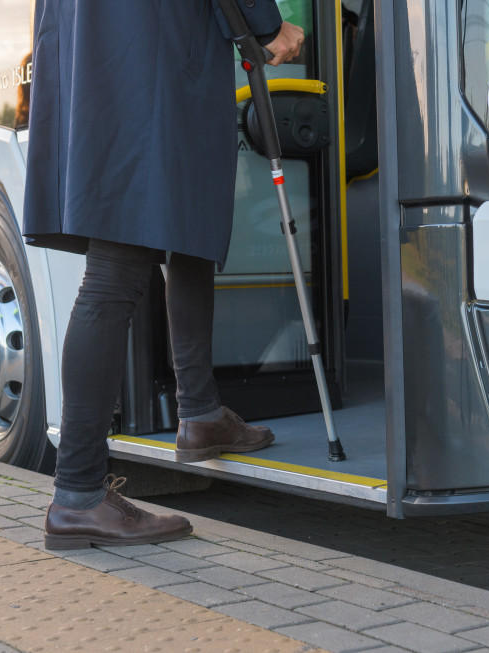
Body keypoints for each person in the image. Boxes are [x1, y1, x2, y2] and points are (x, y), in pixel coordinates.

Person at [21, 0, 304, 550]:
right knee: (118, 264)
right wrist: (264, 24)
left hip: (108, 40)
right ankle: (77, 494)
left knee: (188, 222)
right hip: (146, 43)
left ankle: (200, 413)